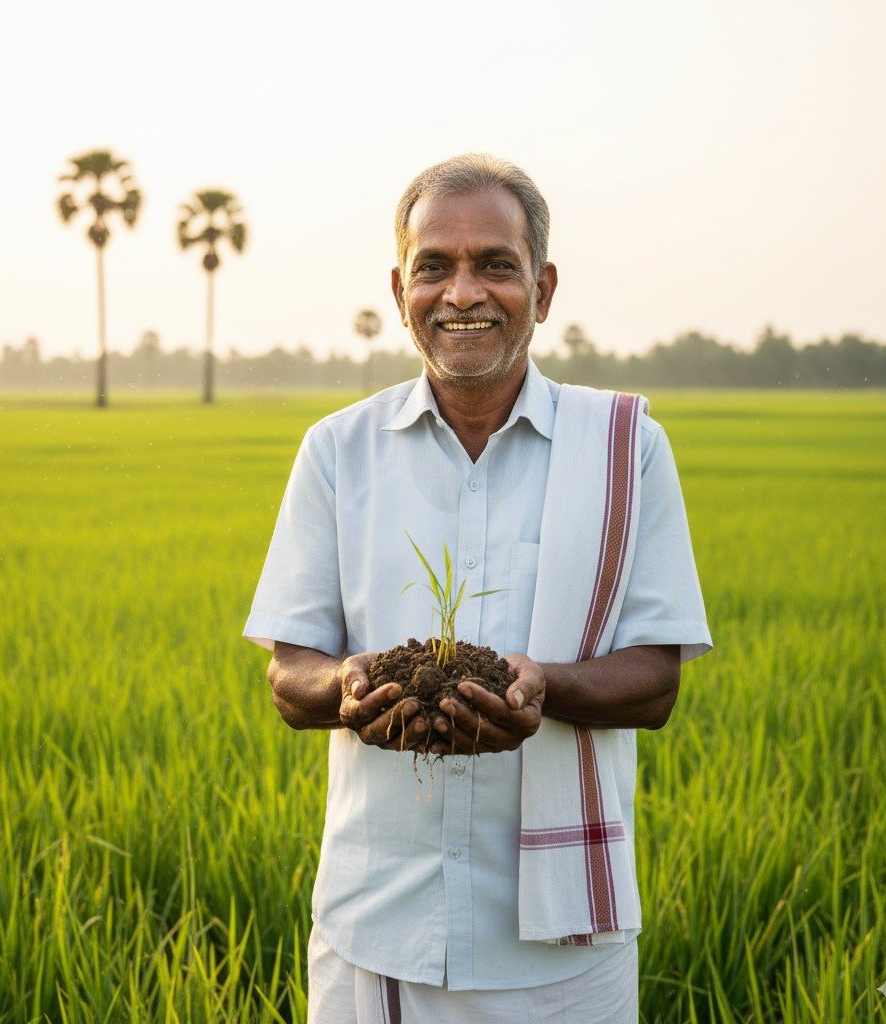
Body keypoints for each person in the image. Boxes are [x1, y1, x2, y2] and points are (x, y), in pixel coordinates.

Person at [244, 154, 711, 1023]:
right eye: (435, 266)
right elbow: (289, 672)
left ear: (543, 286)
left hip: (565, 955)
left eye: (495, 264)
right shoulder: (338, 451)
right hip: (375, 934)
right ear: (400, 288)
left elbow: (656, 679)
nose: (463, 293)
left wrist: (547, 683)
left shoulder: (624, 448)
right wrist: (348, 687)